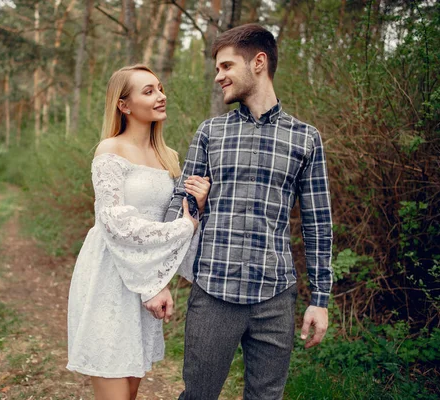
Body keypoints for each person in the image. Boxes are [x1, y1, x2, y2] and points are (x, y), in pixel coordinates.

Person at [164, 24, 334, 399]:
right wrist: (159, 278)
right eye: (217, 69)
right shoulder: (211, 132)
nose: (219, 77)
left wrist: (320, 299)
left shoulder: (305, 138)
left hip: (274, 297)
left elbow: (318, 223)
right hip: (213, 291)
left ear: (258, 63)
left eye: (226, 66)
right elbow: (180, 206)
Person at [66, 64, 211, 400]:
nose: (160, 96)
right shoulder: (110, 150)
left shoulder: (169, 157)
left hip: (146, 274)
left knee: (130, 389)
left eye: (159, 88)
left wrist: (199, 206)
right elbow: (114, 221)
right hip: (110, 274)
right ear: (124, 105)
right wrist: (182, 228)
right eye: (148, 91)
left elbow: (179, 218)